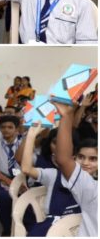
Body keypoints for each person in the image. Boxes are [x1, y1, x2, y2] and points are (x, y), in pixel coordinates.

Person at [20, 122, 82, 236]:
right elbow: (26, 168)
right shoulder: (54, 174)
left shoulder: (90, 181)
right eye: (55, 143)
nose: (59, 149)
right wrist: (31, 136)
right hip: (52, 226)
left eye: (93, 159)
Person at [55, 101, 98, 237]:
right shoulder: (92, 189)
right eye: (81, 157)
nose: (86, 163)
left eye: (93, 159)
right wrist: (67, 116)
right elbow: (63, 159)